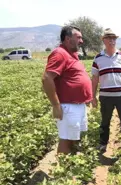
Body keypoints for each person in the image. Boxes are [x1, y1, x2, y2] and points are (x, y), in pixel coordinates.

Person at [42, 25, 93, 155]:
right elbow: (47, 78)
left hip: (77, 105)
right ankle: (63, 173)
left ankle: (71, 169)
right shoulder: (60, 53)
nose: (81, 41)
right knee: (66, 140)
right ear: (67, 39)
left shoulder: (72, 54)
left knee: (74, 138)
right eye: (78, 37)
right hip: (68, 107)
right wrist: (55, 105)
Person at [91, 28, 121, 152]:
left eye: (114, 38)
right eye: (109, 38)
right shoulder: (98, 58)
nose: (112, 40)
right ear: (104, 40)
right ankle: (103, 143)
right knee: (105, 121)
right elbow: (95, 78)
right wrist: (93, 96)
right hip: (106, 96)